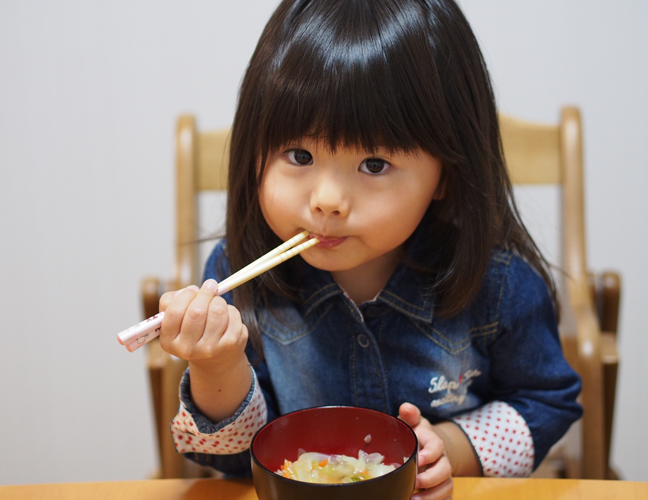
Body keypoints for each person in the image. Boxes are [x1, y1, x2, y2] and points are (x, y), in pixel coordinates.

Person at [159, 0, 582, 498]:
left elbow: (546, 403)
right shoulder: (240, 275)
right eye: (300, 155)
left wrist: (447, 448)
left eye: (375, 164)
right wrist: (216, 366)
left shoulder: (498, 284)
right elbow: (228, 462)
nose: (327, 201)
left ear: (446, 171)